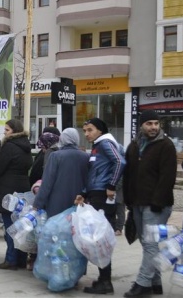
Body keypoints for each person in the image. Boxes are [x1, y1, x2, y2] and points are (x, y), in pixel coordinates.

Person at [122, 110, 177, 297]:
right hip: (137, 203)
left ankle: (143, 283)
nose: (153, 127)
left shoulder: (166, 145)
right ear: (142, 126)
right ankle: (156, 283)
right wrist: (128, 200)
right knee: (147, 244)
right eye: (149, 124)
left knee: (151, 243)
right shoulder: (134, 145)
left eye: (156, 123)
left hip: (156, 205)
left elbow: (168, 177)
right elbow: (128, 174)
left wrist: (158, 202)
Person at [78, 118, 125, 295]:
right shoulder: (99, 145)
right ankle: (104, 279)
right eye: (84, 130)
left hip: (102, 196)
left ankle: (105, 282)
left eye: (90, 130)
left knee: (100, 240)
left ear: (100, 130)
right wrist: (83, 192)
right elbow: (94, 173)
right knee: (98, 239)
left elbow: (120, 162)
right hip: (96, 193)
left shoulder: (105, 143)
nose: (86, 134)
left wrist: (111, 186)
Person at [0, 119, 32, 271]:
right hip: (23, 189)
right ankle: (21, 259)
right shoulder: (26, 146)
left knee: (10, 226)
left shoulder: (9, 146)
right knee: (20, 226)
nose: (4, 132)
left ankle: (10, 259)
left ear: (14, 131)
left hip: (8, 191)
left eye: (7, 130)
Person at [33, 128, 89, 217]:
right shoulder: (86, 157)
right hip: (78, 202)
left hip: (56, 204)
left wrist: (37, 204)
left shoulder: (55, 156)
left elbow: (47, 183)